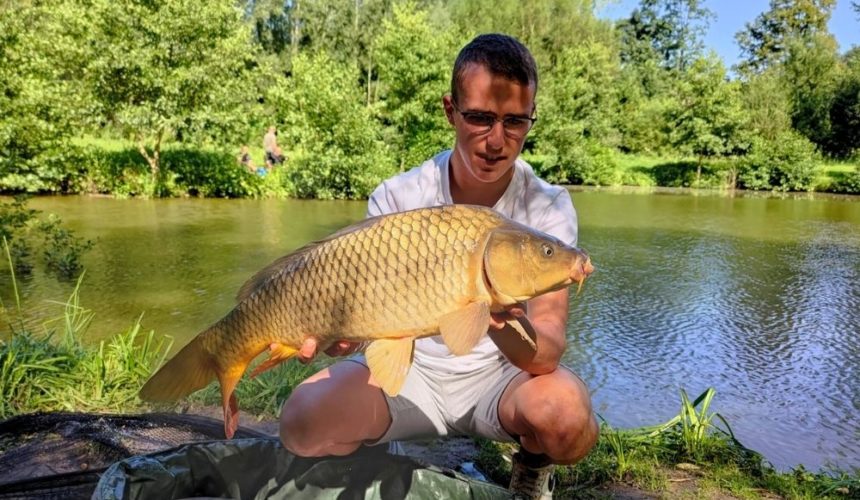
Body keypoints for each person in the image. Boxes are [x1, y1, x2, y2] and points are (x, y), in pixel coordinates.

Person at [279, 33, 598, 499]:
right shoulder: (399, 198)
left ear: (532, 119)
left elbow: (547, 351)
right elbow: (368, 321)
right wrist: (340, 333)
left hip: (501, 382)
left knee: (567, 418)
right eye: (479, 118)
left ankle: (531, 468)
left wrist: (496, 318)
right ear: (451, 111)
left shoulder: (546, 208)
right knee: (302, 421)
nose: (496, 140)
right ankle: (375, 452)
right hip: (409, 376)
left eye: (514, 122)